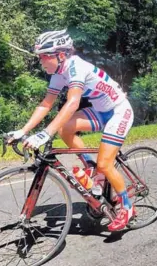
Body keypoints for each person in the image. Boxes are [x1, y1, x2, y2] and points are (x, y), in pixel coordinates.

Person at [7, 29, 135, 231]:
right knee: (65, 129)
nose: (40, 62)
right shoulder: (58, 73)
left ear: (60, 55)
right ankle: (90, 165)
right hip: (100, 111)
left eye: (43, 57)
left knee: (105, 163)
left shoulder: (76, 67)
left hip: (119, 111)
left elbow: (73, 102)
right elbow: (45, 105)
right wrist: (23, 131)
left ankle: (127, 207)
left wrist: (45, 133)